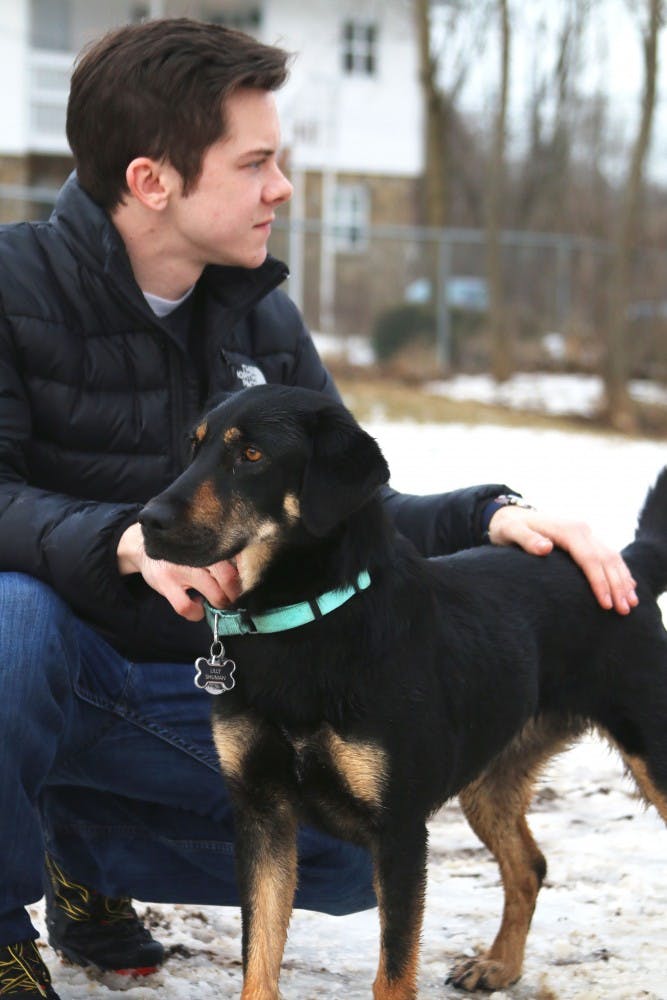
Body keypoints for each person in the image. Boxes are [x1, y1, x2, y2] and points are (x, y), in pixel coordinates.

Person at [0, 18, 637, 1000]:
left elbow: (346, 509)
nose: (281, 188)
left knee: (347, 852)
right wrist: (123, 542)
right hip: (55, 658)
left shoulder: (260, 316)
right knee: (11, 624)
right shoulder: (12, 286)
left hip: (201, 681)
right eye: (255, 162)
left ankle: (82, 857)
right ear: (151, 180)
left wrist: (492, 513)